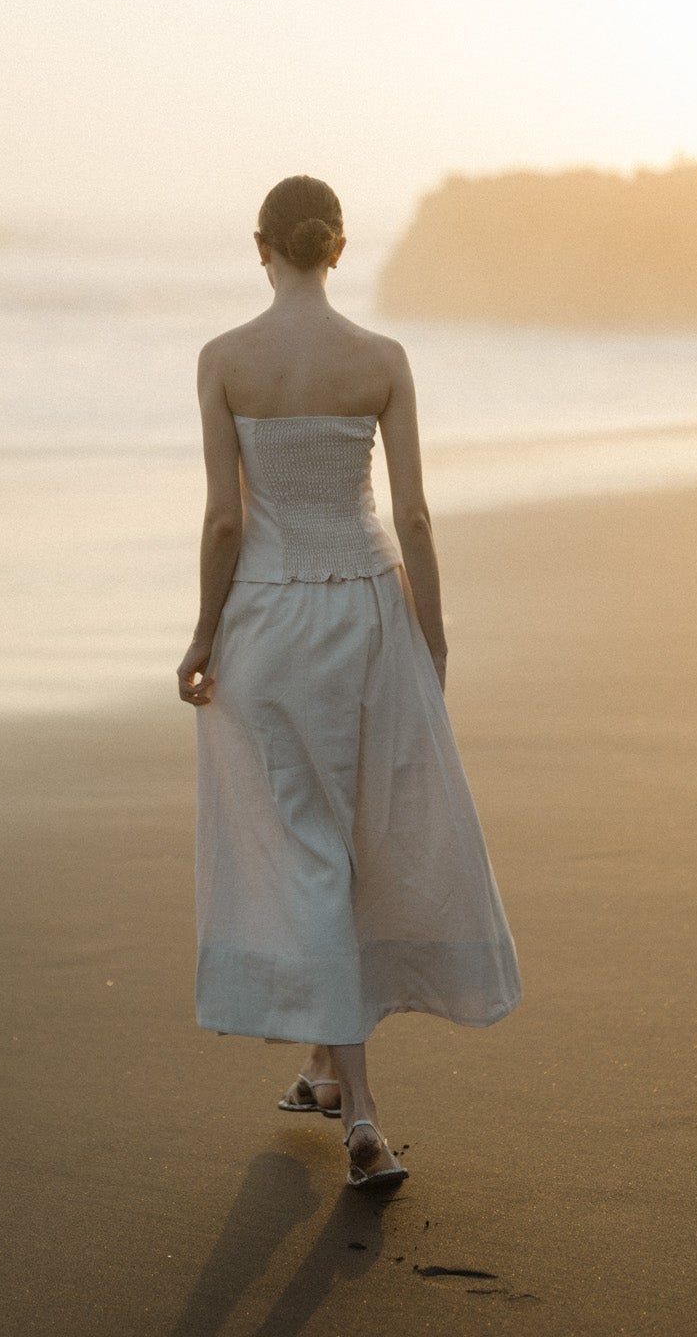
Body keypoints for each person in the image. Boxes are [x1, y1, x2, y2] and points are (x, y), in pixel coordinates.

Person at [178, 174, 521, 1191]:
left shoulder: (225, 359)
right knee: (355, 833)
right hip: (369, 610)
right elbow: (412, 513)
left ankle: (357, 1106)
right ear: (336, 248)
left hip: (273, 621)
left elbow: (225, 520)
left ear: (260, 247)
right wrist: (436, 633)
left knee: (309, 838)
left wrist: (204, 629)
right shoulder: (381, 359)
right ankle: (332, 1073)